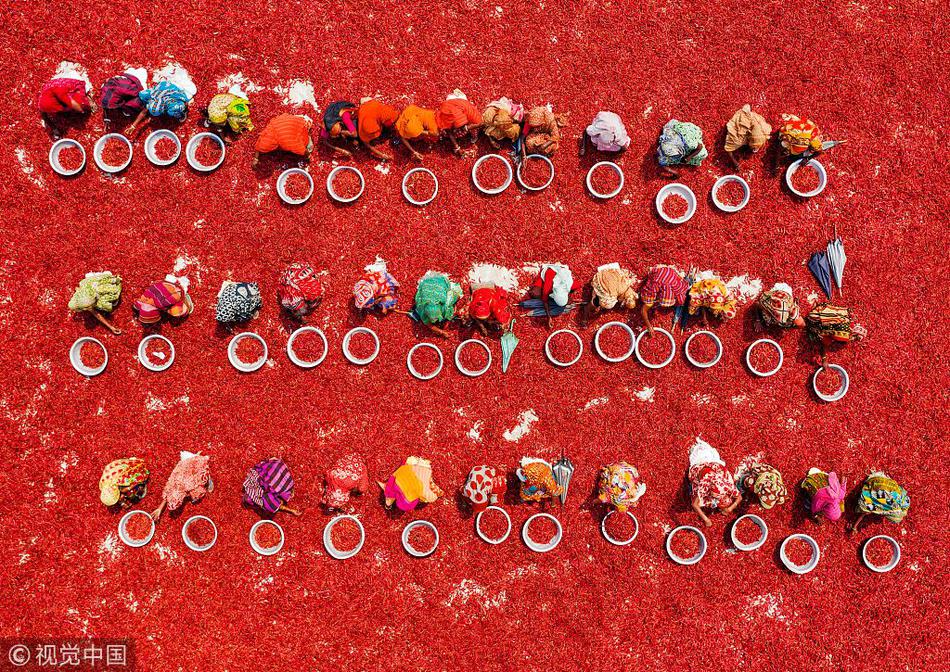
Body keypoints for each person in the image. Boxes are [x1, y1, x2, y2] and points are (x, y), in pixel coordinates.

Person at [687, 438, 741, 527]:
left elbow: (739, 497)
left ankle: (721, 503)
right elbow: (694, 504)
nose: (716, 498)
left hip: (716, 470)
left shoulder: (726, 485)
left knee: (722, 497)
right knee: (699, 501)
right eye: (714, 496)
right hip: (700, 473)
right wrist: (706, 519)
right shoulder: (704, 485)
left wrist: (731, 508)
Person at [151, 451, 211, 521]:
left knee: (199, 490)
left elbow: (200, 487)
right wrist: (159, 509)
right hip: (185, 463)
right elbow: (167, 496)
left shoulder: (188, 487)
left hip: (193, 466)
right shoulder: (172, 487)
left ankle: (209, 479)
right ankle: (195, 456)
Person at [37, 69, 95, 138]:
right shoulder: (43, 105)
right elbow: (45, 116)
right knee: (69, 108)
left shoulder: (57, 91)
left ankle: (88, 99)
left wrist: (82, 109)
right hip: (54, 93)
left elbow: (70, 102)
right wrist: (54, 128)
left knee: (80, 101)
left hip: (66, 87)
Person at [521, 263, 581, 328]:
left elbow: (578, 284)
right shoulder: (547, 287)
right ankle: (531, 302)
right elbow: (545, 302)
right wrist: (549, 316)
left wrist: (568, 296)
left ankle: (553, 301)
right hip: (549, 274)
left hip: (561, 274)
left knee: (562, 304)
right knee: (535, 294)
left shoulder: (570, 285)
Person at [126, 80, 193, 136]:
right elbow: (143, 112)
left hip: (169, 91)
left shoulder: (175, 104)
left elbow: (185, 103)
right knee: (142, 96)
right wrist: (133, 126)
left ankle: (181, 113)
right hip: (161, 90)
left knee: (175, 112)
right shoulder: (154, 97)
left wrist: (184, 109)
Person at [378, 457, 444, 512]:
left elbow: (410, 460)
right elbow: (427, 499)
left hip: (399, 477)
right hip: (405, 493)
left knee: (394, 488)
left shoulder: (428, 470)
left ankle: (388, 499)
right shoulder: (430, 494)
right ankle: (389, 503)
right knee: (407, 502)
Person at [638, 265, 690, 334]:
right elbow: (643, 310)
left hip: (669, 274)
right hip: (661, 275)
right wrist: (649, 326)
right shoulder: (653, 289)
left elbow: (681, 300)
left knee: (681, 301)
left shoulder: (676, 287)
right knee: (645, 297)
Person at [411, 271, 462, 337]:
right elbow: (428, 324)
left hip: (440, 283)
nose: (434, 321)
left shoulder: (444, 300)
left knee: (451, 302)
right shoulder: (421, 306)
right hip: (427, 285)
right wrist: (441, 332)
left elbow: (456, 297)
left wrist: (448, 321)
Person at [435, 90, 482, 156]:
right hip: (460, 106)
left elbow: (466, 127)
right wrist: (457, 147)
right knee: (448, 131)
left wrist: (480, 124)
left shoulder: (469, 117)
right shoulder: (445, 111)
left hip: (472, 117)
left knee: (472, 129)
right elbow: (448, 130)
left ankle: (474, 137)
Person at [724, 105, 772, 169]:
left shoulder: (764, 129)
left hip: (753, 124)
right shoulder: (738, 138)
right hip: (742, 124)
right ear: (749, 138)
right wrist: (735, 162)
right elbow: (728, 149)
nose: (754, 149)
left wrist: (757, 145)